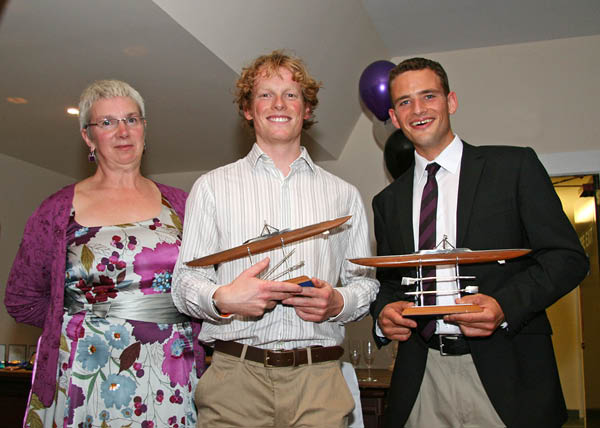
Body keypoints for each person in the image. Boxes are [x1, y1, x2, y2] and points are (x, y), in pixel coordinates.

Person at [371, 57, 589, 428]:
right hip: (423, 378)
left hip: (509, 373)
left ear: (451, 101)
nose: (418, 109)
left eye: (428, 96)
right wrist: (384, 313)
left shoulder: (514, 167)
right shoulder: (387, 201)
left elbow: (567, 257)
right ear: (394, 117)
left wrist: (504, 305)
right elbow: (390, 283)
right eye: (405, 102)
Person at [172, 50, 378, 428]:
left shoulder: (344, 195)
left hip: (320, 381)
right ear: (248, 110)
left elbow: (364, 284)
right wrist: (223, 298)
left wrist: (337, 301)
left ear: (307, 109)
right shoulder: (211, 187)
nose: (279, 104)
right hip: (234, 381)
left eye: (291, 94)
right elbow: (184, 281)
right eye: (265, 94)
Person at [5, 79, 204, 427]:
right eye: (107, 122)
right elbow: (21, 299)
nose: (123, 131)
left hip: (172, 367)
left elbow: (205, 284)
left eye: (132, 119)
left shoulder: (183, 204)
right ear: (88, 136)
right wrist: (79, 323)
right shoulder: (56, 210)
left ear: (144, 128)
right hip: (85, 369)